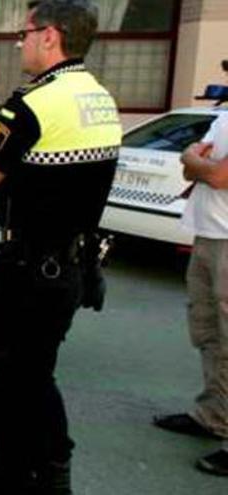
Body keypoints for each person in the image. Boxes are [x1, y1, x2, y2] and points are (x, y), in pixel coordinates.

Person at [0, 1, 121, 492]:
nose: (20, 42)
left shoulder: (29, 104)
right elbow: (41, 188)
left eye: (25, 32)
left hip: (28, 271)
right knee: (37, 374)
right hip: (70, 268)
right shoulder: (101, 98)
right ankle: (48, 470)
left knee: (9, 378)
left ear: (50, 36)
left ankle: (17, 473)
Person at [152, 60, 228, 477]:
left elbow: (216, 174)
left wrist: (194, 160)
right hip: (208, 234)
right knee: (209, 333)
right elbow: (192, 167)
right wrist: (194, 161)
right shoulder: (223, 120)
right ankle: (213, 417)